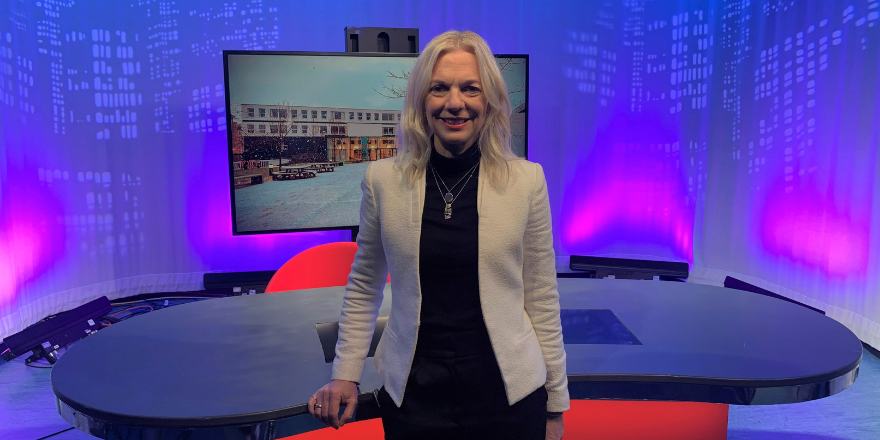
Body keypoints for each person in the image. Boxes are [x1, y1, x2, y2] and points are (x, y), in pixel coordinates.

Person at [308, 30, 569, 440]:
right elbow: (363, 286)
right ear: (421, 100)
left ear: (489, 101)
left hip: (508, 395)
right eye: (440, 88)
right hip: (414, 395)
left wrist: (555, 402)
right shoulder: (382, 181)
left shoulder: (526, 181)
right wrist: (345, 374)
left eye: (470, 88)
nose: (454, 102)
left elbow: (541, 294)